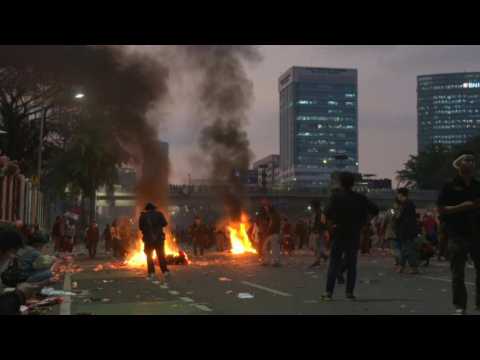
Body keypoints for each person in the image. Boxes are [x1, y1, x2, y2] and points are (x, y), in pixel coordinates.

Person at [321, 172, 379, 301]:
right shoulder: (360, 198)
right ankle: (349, 293)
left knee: (334, 263)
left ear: (340, 183)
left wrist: (330, 227)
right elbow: (375, 210)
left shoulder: (335, 197)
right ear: (353, 184)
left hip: (338, 233)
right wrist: (365, 222)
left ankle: (328, 292)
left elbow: (326, 215)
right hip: (354, 233)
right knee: (352, 264)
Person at [437, 150, 480, 315]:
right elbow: (441, 209)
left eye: (473, 160)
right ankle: (460, 305)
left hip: (477, 232)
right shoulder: (449, 186)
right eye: (467, 160)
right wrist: (462, 207)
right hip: (457, 233)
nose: (471, 162)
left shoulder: (477, 185)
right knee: (458, 273)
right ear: (458, 165)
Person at [139, 202, 169, 280]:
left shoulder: (143, 216)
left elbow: (140, 227)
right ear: (154, 208)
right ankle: (165, 271)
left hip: (148, 239)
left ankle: (151, 272)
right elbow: (165, 224)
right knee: (161, 255)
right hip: (159, 239)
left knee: (149, 256)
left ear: (147, 209)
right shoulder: (159, 214)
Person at [395, 188, 420, 274]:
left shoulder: (406, 204)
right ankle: (402, 267)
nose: (397, 196)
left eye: (397, 194)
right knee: (404, 249)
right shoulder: (407, 203)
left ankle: (413, 268)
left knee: (409, 249)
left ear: (401, 194)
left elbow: (399, 217)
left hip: (407, 230)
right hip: (406, 230)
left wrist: (396, 214)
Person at [309, 199, 329, 268]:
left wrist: (318, 231)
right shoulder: (318, 213)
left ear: (315, 206)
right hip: (318, 231)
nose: (311, 207)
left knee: (318, 247)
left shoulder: (320, 213)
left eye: (312, 205)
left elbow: (322, 223)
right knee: (317, 247)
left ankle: (317, 261)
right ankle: (324, 256)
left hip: (319, 232)